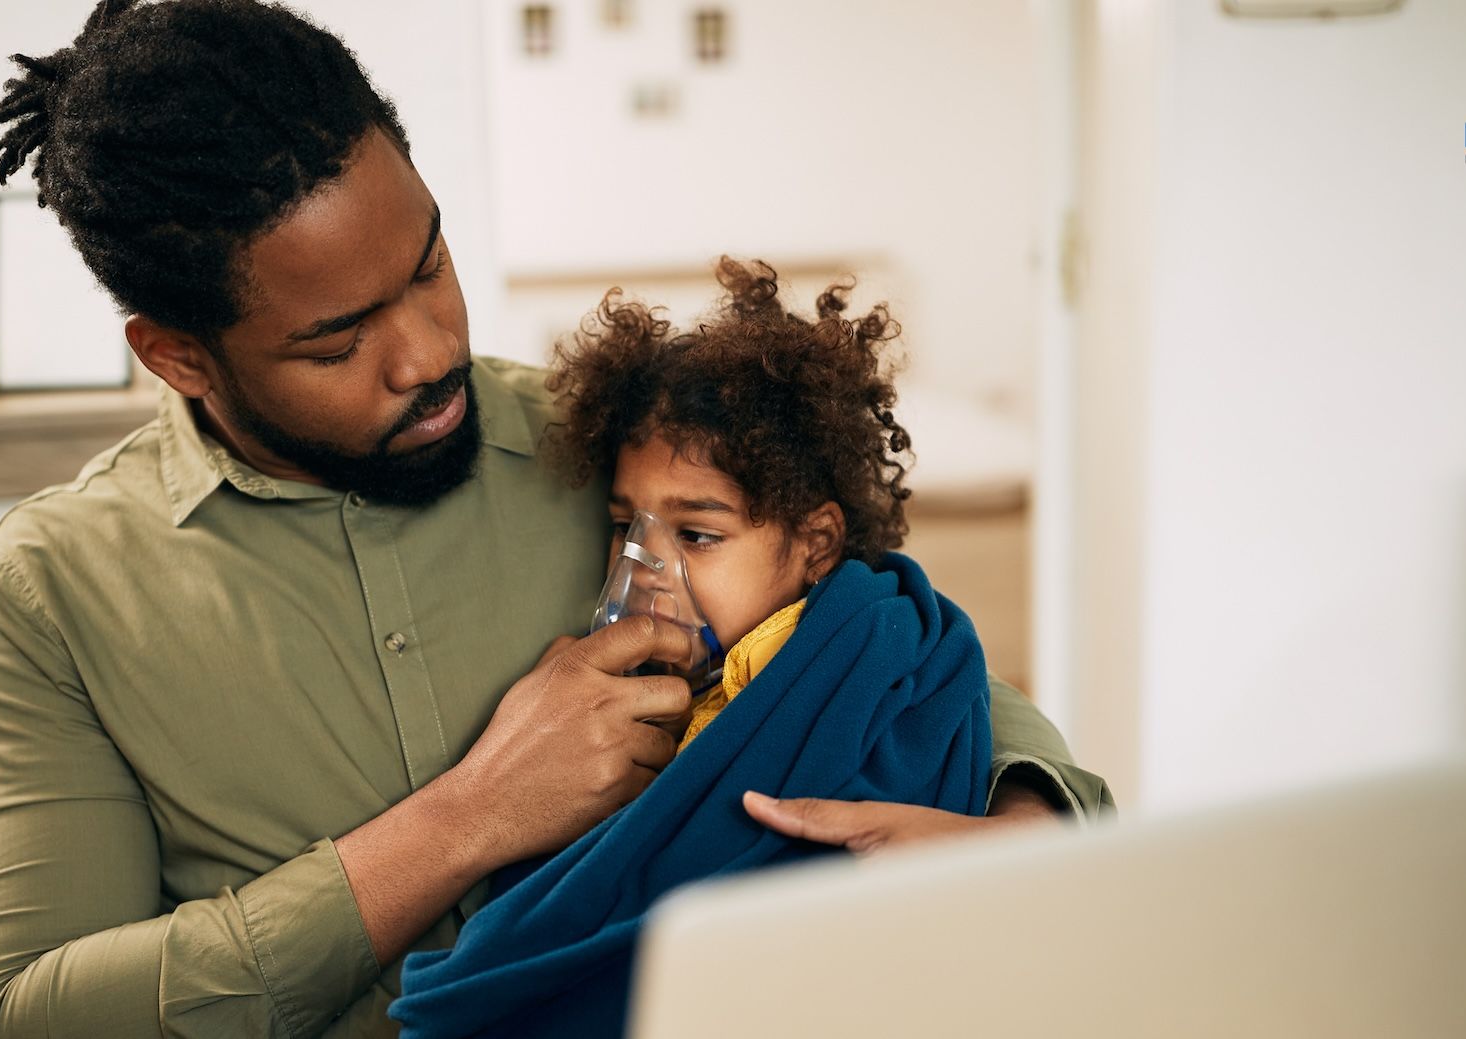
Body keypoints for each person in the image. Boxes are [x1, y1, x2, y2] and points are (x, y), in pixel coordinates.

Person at [0, 2, 1113, 1036]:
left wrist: (1026, 823)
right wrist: (467, 817)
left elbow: (889, 645)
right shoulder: (50, 594)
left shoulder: (622, 444)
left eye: (427, 265)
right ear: (178, 355)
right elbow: (15, 1012)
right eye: (337, 342)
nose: (427, 352)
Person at [387, 258, 1021, 1037]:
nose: (646, 569)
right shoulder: (630, 685)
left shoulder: (878, 652)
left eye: (697, 535)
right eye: (626, 526)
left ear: (816, 543)